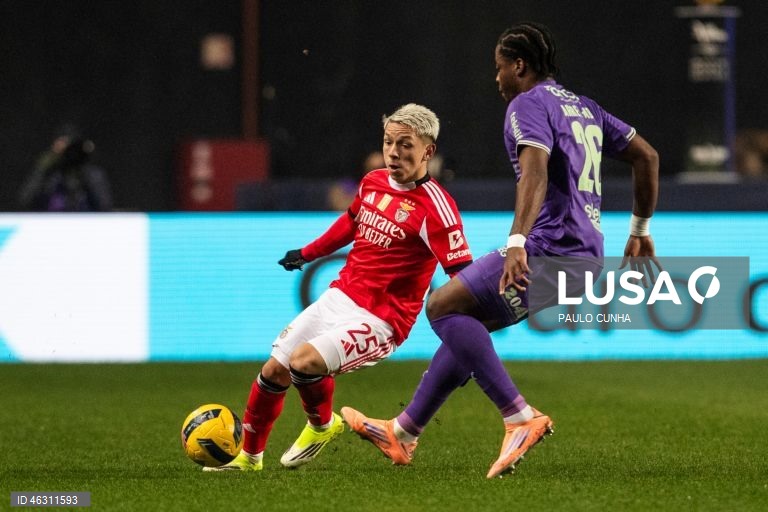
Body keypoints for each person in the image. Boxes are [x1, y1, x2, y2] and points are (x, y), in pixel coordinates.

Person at [342, 21, 660, 479]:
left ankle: (518, 416)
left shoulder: (526, 105)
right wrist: (640, 228)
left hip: (550, 247)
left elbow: (534, 172)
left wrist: (516, 244)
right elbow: (646, 155)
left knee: (442, 306)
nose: (495, 79)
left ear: (519, 66)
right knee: (465, 324)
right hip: (585, 255)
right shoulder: (585, 108)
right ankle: (404, 431)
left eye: (498, 68)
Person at [205, 103, 474, 472]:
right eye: (388, 142)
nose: (394, 152)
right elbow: (349, 225)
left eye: (406, 145)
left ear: (428, 151)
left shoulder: (437, 209)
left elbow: (465, 279)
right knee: (273, 371)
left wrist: (467, 346)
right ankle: (249, 459)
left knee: (304, 362)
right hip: (340, 296)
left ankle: (321, 425)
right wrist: (306, 252)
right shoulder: (373, 182)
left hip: (382, 320)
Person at [18, 124, 113, 212]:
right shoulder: (51, 174)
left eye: (72, 149)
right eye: (65, 150)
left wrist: (85, 175)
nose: (70, 154)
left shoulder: (93, 175)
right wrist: (44, 169)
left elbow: (104, 206)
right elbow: (26, 200)